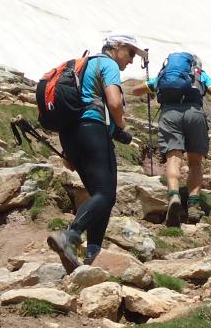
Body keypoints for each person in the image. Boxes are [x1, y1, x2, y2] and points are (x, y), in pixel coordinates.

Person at [47, 33, 144, 273]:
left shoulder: (84, 64)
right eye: (131, 53)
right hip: (91, 129)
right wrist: (121, 127)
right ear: (118, 46)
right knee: (106, 195)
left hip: (70, 134)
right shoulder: (107, 63)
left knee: (98, 197)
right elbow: (113, 102)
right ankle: (70, 235)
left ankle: (88, 257)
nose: (131, 60)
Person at [133, 53, 211, 226]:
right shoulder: (199, 75)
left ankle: (174, 196)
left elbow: (136, 90)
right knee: (195, 162)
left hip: (169, 115)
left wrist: (151, 87)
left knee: (173, 158)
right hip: (194, 115)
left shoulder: (163, 76)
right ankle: (194, 203)